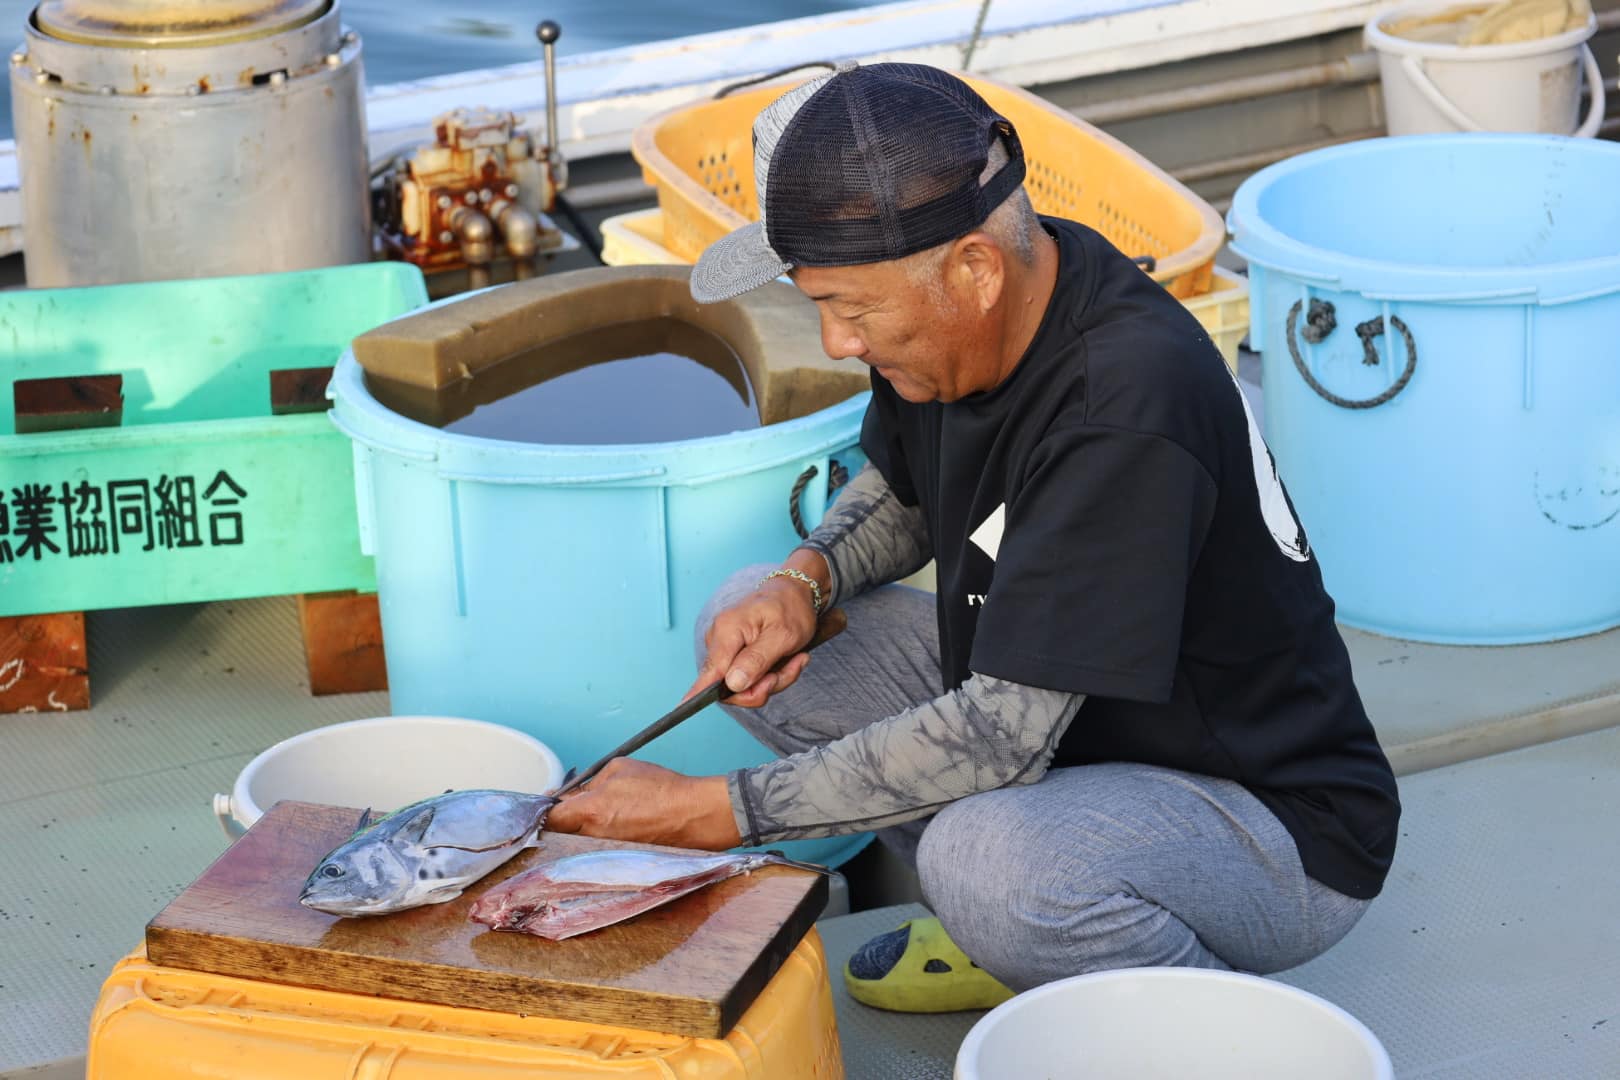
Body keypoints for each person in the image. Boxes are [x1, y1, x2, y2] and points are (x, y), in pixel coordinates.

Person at [545, 61, 1401, 1013]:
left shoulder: (1123, 408)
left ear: (975, 270)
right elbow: (908, 492)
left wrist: (710, 814)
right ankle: (1022, 938)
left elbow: (998, 736)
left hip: (1264, 821)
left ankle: (1219, 1033)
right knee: (749, 618)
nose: (836, 343)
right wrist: (805, 580)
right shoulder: (975, 314)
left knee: (983, 865)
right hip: (1072, 734)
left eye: (851, 309)